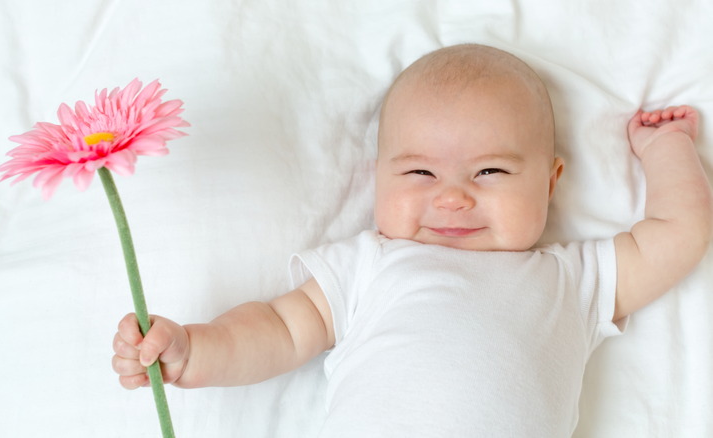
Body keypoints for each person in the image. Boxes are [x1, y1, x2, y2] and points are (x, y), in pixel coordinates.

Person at [111, 44, 712, 436]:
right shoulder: (369, 265)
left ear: (550, 183)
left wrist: (667, 152)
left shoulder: (574, 280)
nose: (452, 198)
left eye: (491, 172)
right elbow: (278, 329)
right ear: (377, 178)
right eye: (419, 173)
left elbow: (679, 233)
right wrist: (195, 349)